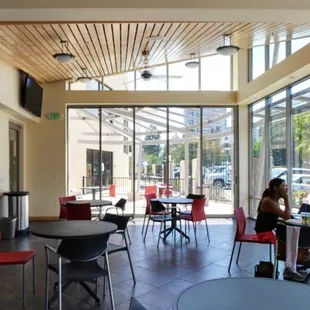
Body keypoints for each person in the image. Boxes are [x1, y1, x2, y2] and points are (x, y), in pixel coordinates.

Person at [255, 178, 307, 282]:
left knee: (293, 234)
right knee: (290, 236)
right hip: (264, 232)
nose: (286, 188)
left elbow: (284, 216)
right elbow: (287, 217)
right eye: (284, 186)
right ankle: (290, 267)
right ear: (276, 188)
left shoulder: (273, 200)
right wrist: (287, 199)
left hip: (270, 229)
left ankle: (293, 264)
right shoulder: (268, 201)